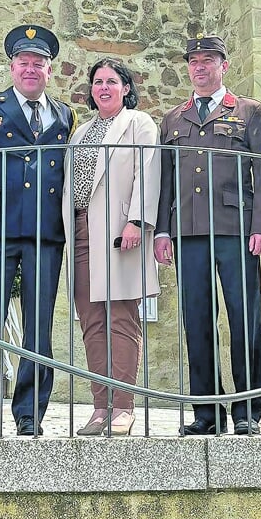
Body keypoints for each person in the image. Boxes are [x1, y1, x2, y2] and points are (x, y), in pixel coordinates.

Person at [0, 24, 75, 437]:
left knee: (38, 328)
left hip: (45, 233)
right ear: (11, 66)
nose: (31, 68)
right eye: (24, 62)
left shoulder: (64, 114)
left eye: (38, 63)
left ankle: (29, 414)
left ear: (49, 69)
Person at [154, 35, 261, 436]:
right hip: (188, 232)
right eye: (193, 61)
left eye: (208, 60)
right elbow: (165, 181)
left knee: (244, 320)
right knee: (197, 322)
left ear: (224, 65)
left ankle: (247, 410)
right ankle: (207, 412)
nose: (200, 67)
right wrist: (162, 231)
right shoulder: (173, 119)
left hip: (236, 231)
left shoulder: (250, 112)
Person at [62, 58, 160, 437]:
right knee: (90, 320)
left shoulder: (138, 123)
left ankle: (124, 405)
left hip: (119, 229)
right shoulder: (81, 131)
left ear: (125, 88)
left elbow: (146, 172)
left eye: (112, 81)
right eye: (98, 81)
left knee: (120, 316)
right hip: (83, 228)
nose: (104, 87)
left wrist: (137, 221)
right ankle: (99, 407)